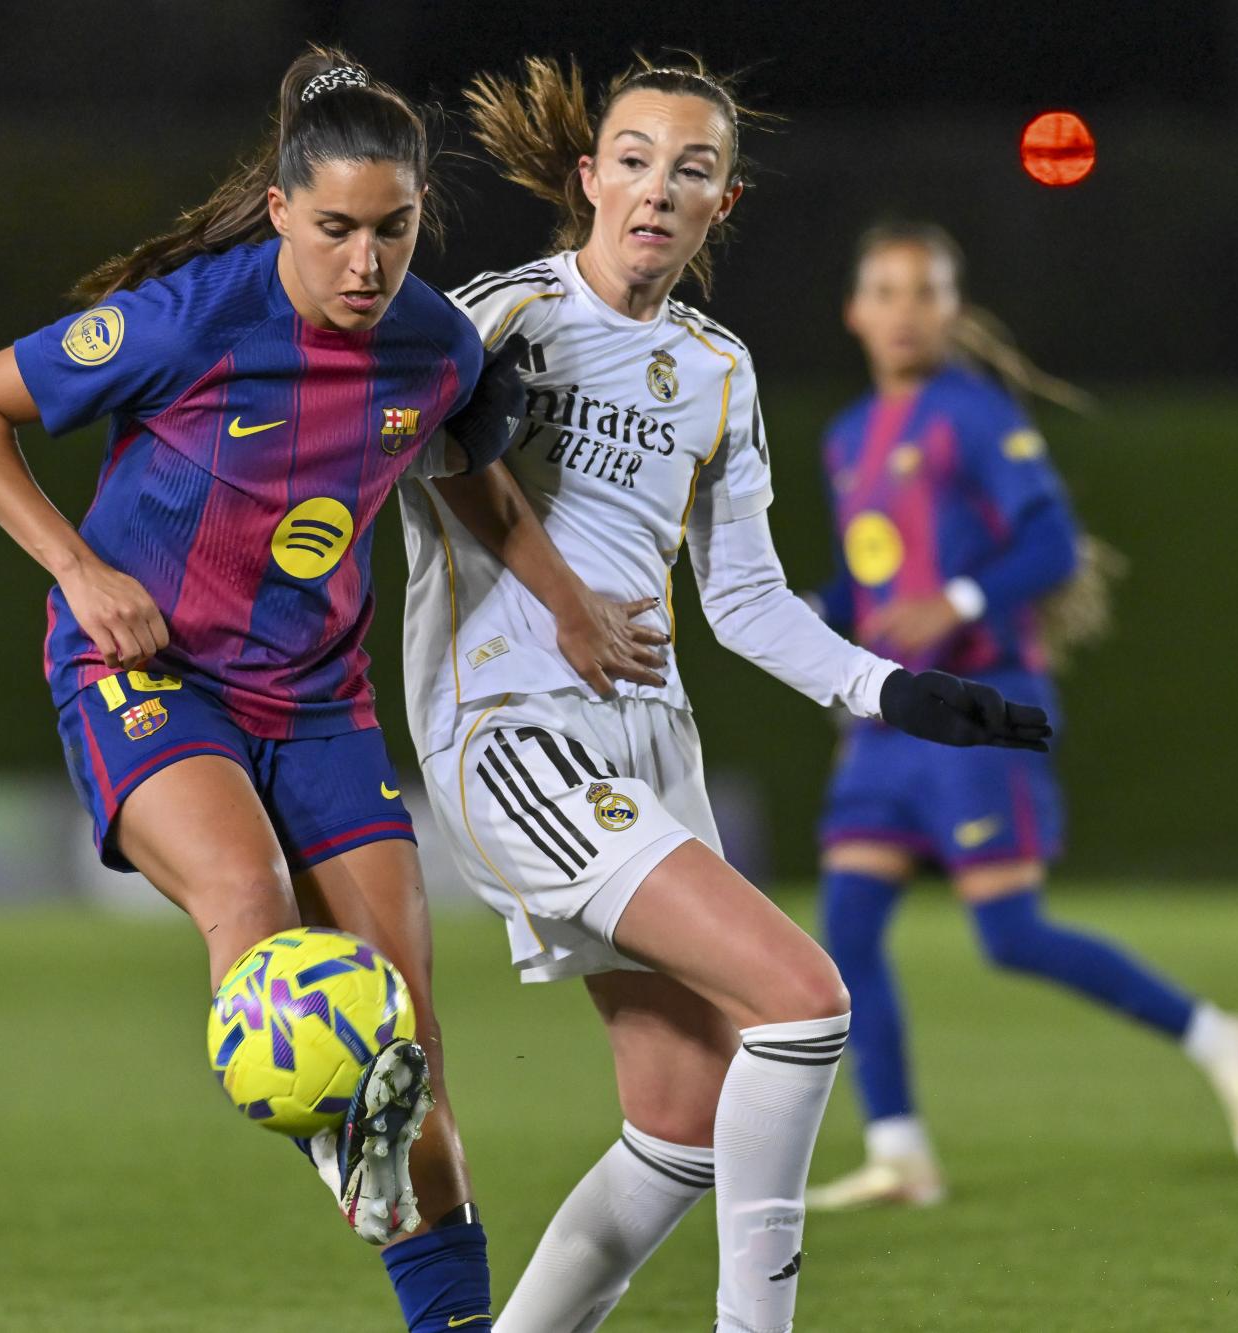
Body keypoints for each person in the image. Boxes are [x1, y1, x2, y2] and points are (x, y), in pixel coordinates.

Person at [396, 58, 1048, 1332]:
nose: (655, 189)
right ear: (587, 179)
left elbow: (738, 598)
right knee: (804, 1001)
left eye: (687, 170)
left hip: (648, 748)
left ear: (720, 205)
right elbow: (405, 452)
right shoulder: (501, 317)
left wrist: (890, 687)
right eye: (632, 159)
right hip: (510, 734)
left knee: (681, 1123)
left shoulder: (714, 368)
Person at [0, 49, 521, 1332]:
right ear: (284, 210)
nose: (366, 262)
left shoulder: (431, 341)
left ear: (421, 217)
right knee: (245, 895)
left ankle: (445, 1306)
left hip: (317, 700)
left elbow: (464, 449)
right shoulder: (191, 317)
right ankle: (322, 1124)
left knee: (408, 1045)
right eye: (339, 230)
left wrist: (570, 608)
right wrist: (79, 570)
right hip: (147, 675)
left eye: (395, 230)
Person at [804, 221, 1238, 1210]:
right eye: (885, 291)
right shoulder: (846, 436)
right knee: (843, 935)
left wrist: (962, 601)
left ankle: (1222, 1039)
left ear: (951, 309)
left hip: (982, 703)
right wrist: (812, 628)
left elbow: (1051, 542)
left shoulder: (969, 415)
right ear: (855, 311)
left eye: (923, 291)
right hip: (891, 724)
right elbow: (870, 579)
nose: (903, 310)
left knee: (1009, 933)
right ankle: (900, 1152)